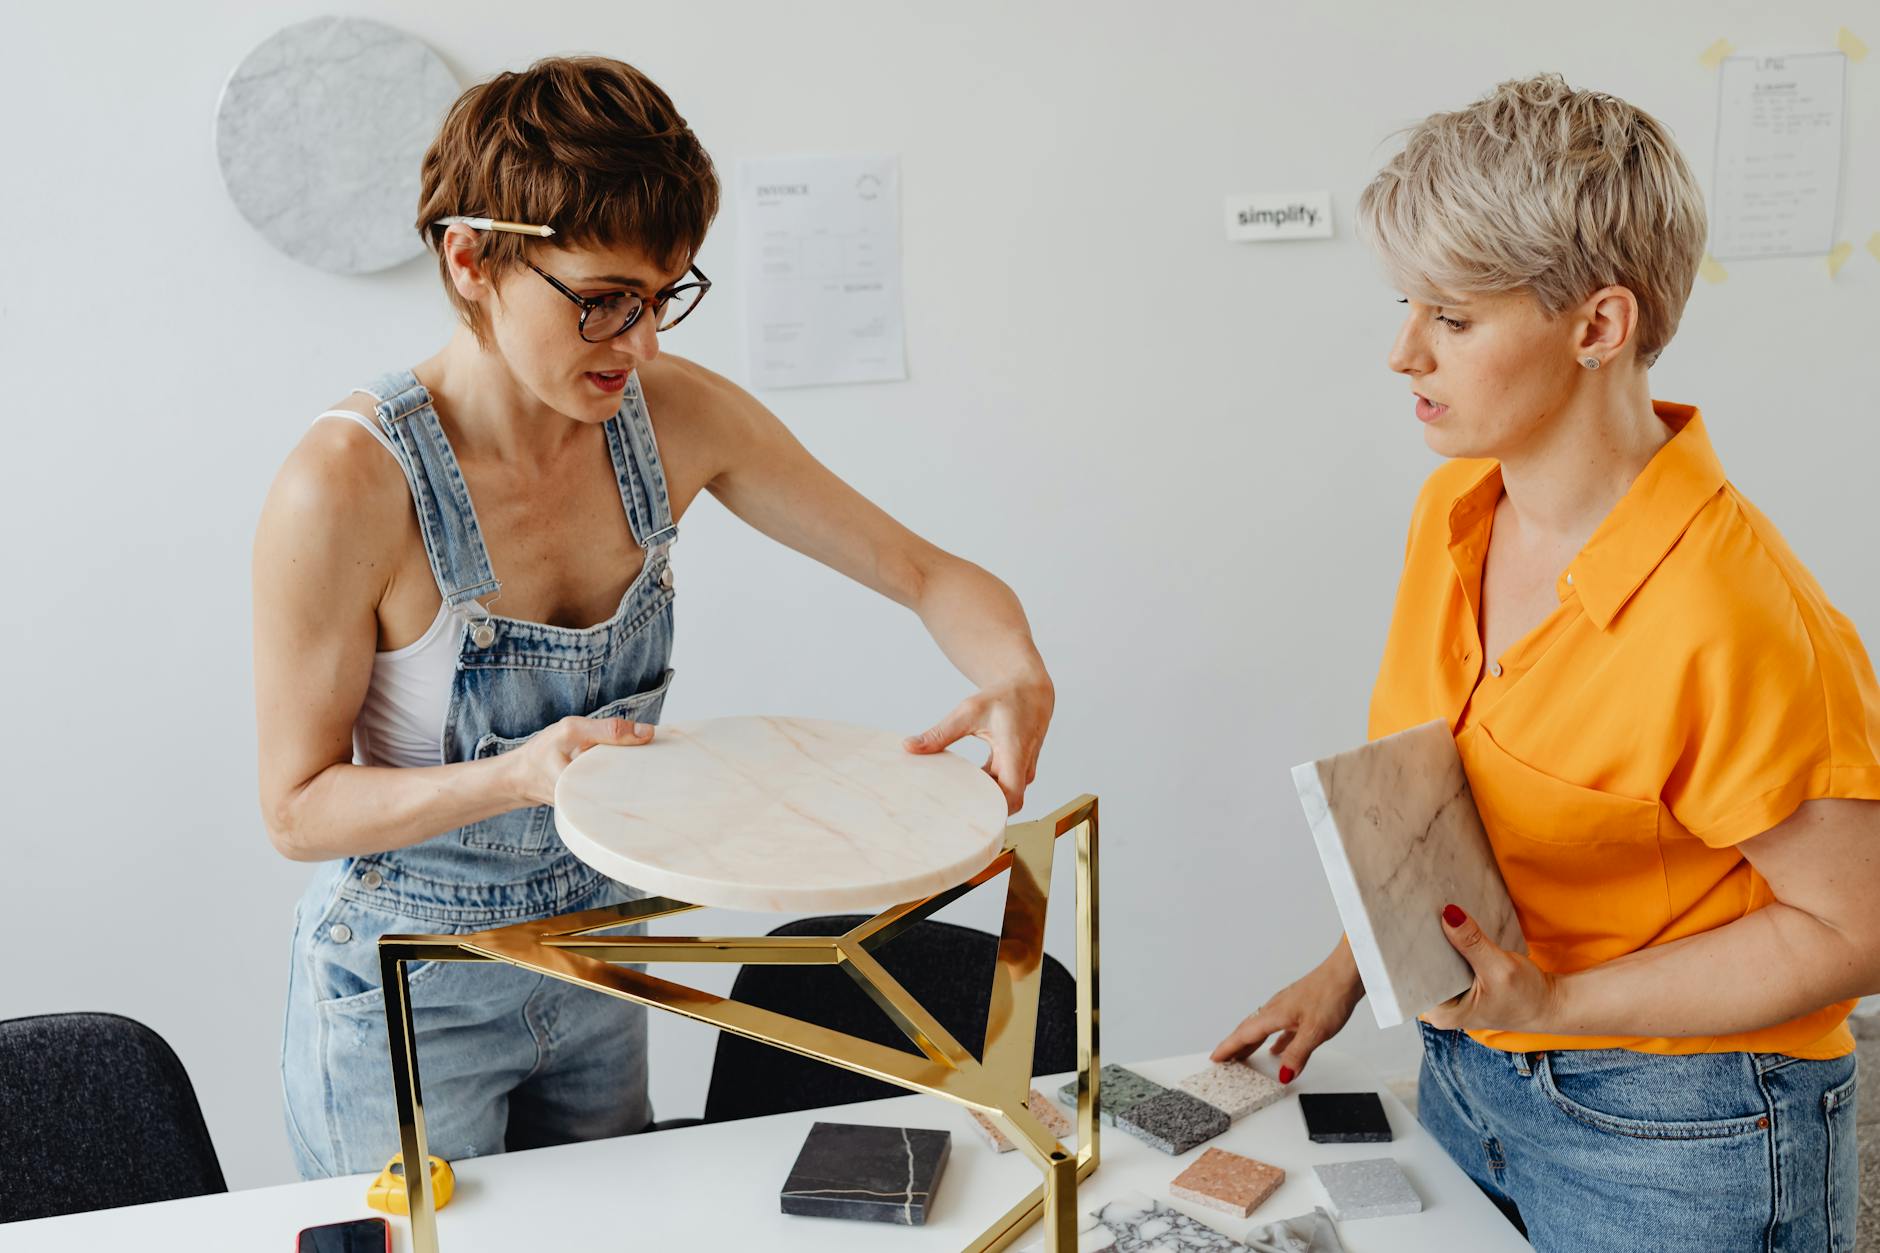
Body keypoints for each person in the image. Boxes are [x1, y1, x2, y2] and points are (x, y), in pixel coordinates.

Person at [254, 56, 1055, 1180]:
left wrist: (1015, 669)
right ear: (472, 258)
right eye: (603, 301)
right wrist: (518, 772)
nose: (641, 347)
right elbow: (295, 808)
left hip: (594, 958)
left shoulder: (668, 420)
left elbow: (927, 575)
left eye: (664, 295)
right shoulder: (345, 484)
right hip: (407, 986)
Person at [1214, 73, 1877, 1251]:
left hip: (1685, 1129)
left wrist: (1560, 1003)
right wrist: (1349, 969)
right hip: (1475, 1068)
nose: (1400, 352)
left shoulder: (1738, 616)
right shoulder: (1454, 509)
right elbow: (1452, 794)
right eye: (1408, 305)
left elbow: (1856, 927)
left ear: (1596, 326)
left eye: (1450, 320)